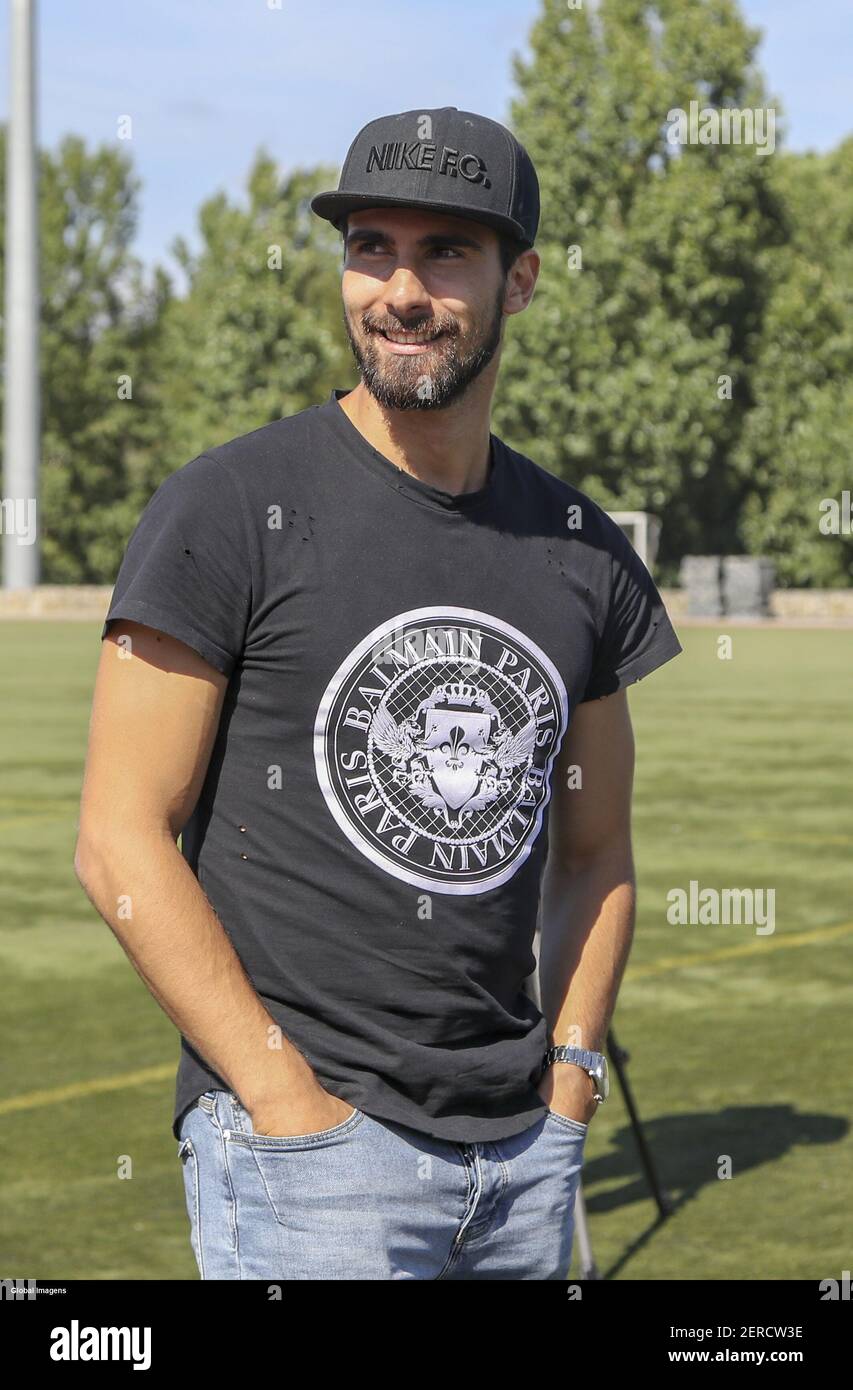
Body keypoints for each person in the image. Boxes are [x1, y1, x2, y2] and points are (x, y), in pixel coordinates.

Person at [74, 106, 682, 1280]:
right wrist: (282, 1099)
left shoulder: (578, 546)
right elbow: (117, 839)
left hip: (520, 1159)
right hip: (309, 1164)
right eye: (370, 247)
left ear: (522, 281)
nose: (398, 290)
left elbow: (595, 851)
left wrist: (571, 1080)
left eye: (446, 251)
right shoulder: (226, 507)